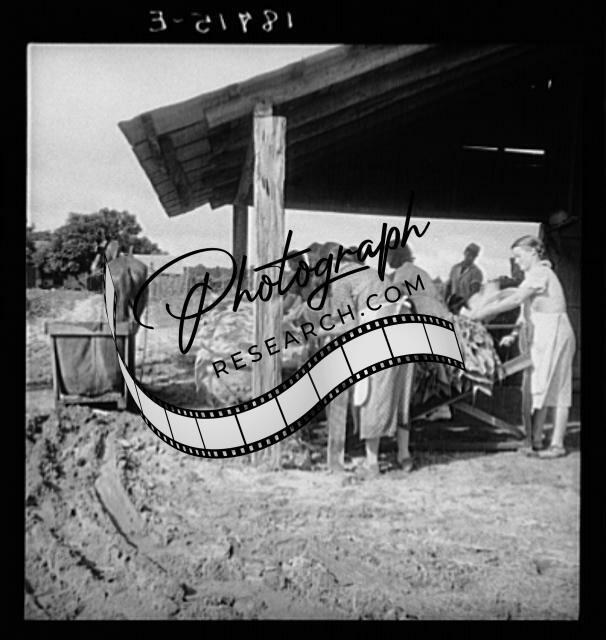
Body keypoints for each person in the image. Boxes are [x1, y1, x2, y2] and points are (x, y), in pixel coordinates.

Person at [470, 236, 575, 458]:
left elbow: (516, 300)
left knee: (557, 387)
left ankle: (557, 445)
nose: (516, 262)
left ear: (533, 252)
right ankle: (536, 439)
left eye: (519, 256)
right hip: (542, 332)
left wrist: (480, 313)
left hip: (555, 330)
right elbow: (525, 312)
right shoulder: (532, 277)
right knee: (540, 385)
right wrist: (514, 334)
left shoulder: (541, 273)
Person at [445, 243, 484, 313]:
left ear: (475, 257)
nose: (470, 257)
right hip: (452, 302)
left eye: (473, 255)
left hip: (466, 305)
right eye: (469, 254)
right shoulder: (455, 268)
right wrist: (444, 301)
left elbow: (474, 293)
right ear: (465, 252)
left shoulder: (476, 272)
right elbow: (449, 287)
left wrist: (459, 305)